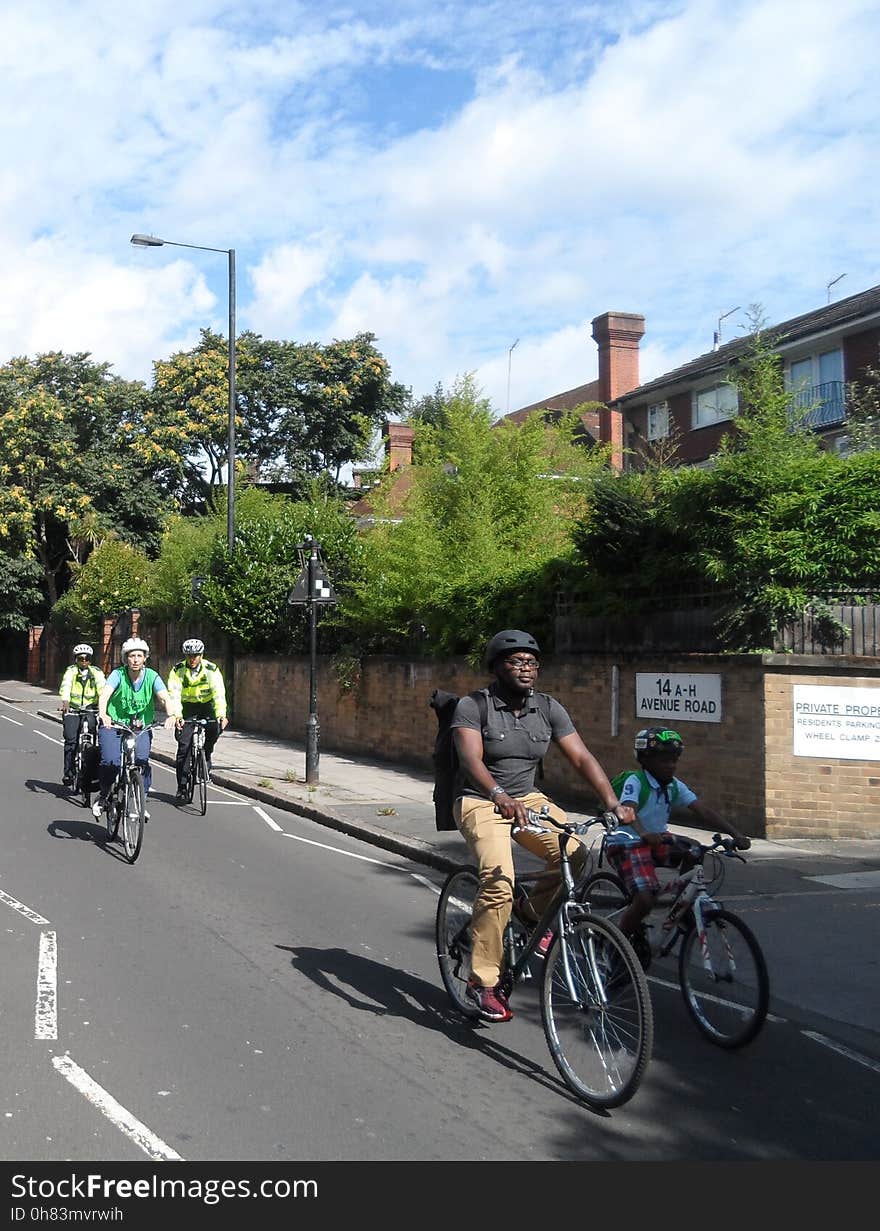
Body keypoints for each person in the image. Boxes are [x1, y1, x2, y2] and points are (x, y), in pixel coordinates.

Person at [451, 629, 637, 1024]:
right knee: (498, 881)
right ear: (497, 666)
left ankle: (532, 911)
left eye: (532, 662)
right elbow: (471, 761)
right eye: (517, 662)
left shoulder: (548, 709)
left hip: (527, 799)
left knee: (575, 851)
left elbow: (582, 758)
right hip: (481, 800)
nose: (527, 669)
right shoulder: (473, 706)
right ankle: (483, 981)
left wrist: (612, 803)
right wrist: (499, 794)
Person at [605, 727, 750, 942]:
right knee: (645, 900)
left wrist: (736, 834)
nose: (671, 766)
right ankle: (616, 946)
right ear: (646, 761)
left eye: (674, 761)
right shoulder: (636, 781)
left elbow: (703, 811)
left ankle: (682, 905)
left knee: (694, 850)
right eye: (664, 761)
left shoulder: (673, 786)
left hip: (656, 839)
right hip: (627, 843)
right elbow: (628, 809)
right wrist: (644, 833)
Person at [91, 637, 178, 820]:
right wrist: (104, 714)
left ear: (145, 658)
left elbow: (164, 697)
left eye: (139, 655)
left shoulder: (152, 676)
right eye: (132, 656)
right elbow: (104, 695)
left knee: (142, 760)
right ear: (126, 658)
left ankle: (140, 800)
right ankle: (104, 795)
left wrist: (172, 714)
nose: (136, 659)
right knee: (110, 761)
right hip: (113, 724)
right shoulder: (118, 675)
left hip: (140, 727)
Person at [166, 638, 229, 804]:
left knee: (215, 729)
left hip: (206, 706)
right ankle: (182, 786)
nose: (192, 658)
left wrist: (221, 714)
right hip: (186, 708)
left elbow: (219, 693)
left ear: (201, 655)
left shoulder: (211, 670)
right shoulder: (177, 670)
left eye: (196, 655)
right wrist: (177, 716)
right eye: (189, 655)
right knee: (184, 748)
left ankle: (206, 754)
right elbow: (174, 696)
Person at [58, 643, 106, 787]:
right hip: (73, 708)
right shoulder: (71, 671)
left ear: (91, 660)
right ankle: (68, 773)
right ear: (76, 659)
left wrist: (104, 707)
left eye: (87, 658)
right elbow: (65, 686)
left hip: (91, 708)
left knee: (93, 738)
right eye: (81, 658)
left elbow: (102, 688)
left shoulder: (96, 672)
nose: (84, 661)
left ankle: (91, 772)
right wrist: (65, 701)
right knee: (71, 740)